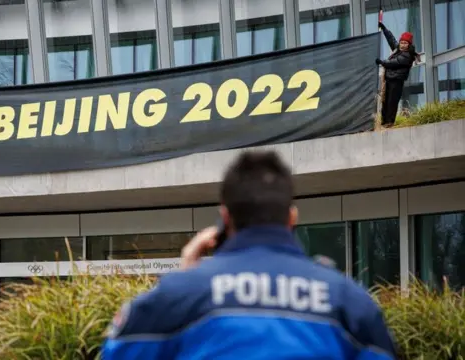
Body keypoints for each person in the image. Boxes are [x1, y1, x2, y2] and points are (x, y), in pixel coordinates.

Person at [102, 151, 398, 359]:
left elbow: (117, 353)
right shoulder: (348, 302)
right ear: (291, 218)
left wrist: (184, 279)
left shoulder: (178, 295)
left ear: (225, 218)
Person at [375, 22, 420, 128]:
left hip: (396, 81)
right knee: (385, 102)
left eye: (405, 43)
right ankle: (384, 122)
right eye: (402, 42)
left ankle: (389, 122)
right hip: (389, 80)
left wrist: (382, 62)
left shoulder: (408, 55)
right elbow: (392, 40)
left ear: (409, 45)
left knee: (392, 102)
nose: (403, 45)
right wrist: (385, 29)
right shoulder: (398, 50)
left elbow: (394, 63)